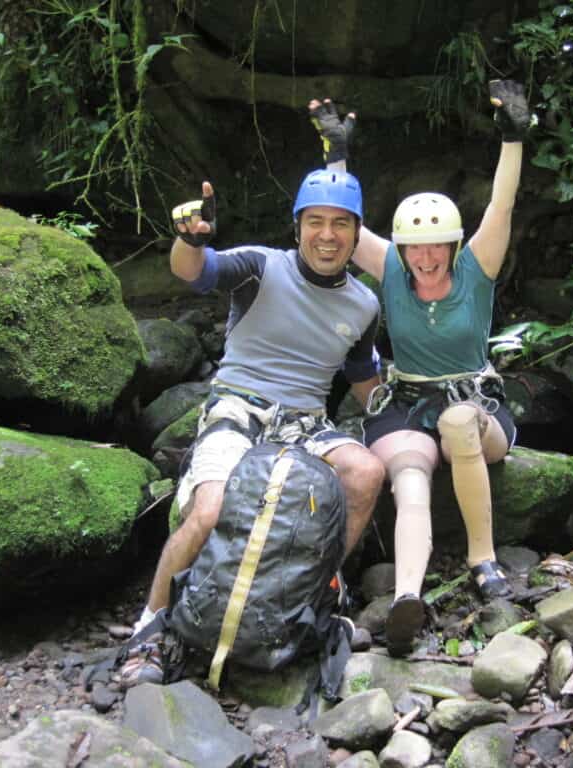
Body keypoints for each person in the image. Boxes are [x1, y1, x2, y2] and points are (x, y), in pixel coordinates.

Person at [120, 171, 388, 686]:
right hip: (237, 409)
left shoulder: (364, 303)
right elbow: (193, 271)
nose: (326, 235)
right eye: (315, 222)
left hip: (306, 423)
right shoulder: (260, 267)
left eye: (339, 224)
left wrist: (408, 409)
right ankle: (150, 627)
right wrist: (189, 240)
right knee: (212, 507)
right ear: (297, 228)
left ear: (356, 235)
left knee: (366, 471)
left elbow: (362, 380)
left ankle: (316, 596)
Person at [308, 80, 532, 656]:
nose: (426, 259)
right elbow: (340, 223)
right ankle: (407, 597)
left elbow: (501, 206)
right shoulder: (388, 268)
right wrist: (336, 156)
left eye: (436, 248)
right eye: (415, 249)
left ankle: (483, 561)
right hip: (405, 405)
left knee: (458, 424)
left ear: (455, 246)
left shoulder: (478, 268)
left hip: (474, 409)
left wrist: (513, 137)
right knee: (409, 483)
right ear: (402, 249)